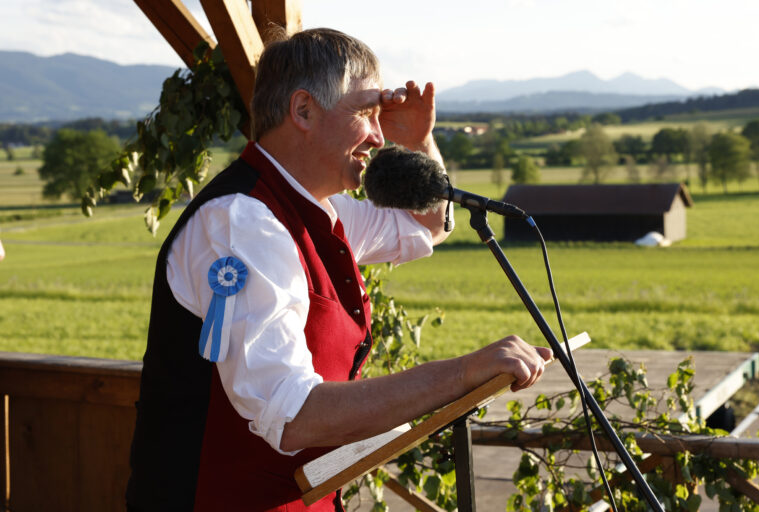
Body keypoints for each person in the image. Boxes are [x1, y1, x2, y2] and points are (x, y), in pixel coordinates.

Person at [126, 28, 552, 512]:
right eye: (365, 113)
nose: (378, 135)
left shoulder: (320, 206)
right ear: (303, 110)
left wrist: (417, 141)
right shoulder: (240, 221)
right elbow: (292, 414)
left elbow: (426, 225)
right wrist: (463, 374)